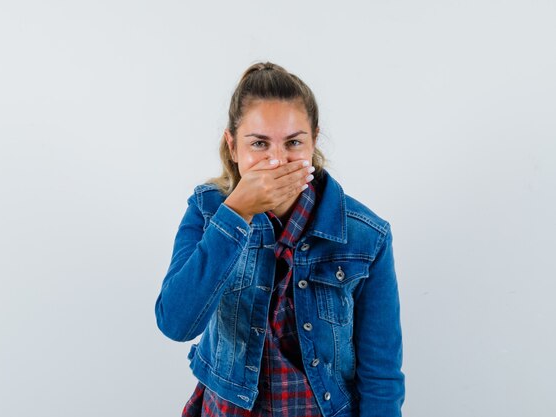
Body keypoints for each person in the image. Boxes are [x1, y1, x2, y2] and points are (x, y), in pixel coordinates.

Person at [155, 62, 404, 417]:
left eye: (293, 143)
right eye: (258, 144)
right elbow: (176, 323)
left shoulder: (366, 236)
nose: (276, 161)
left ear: (313, 141)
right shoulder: (207, 211)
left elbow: (381, 373)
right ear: (233, 146)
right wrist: (236, 213)